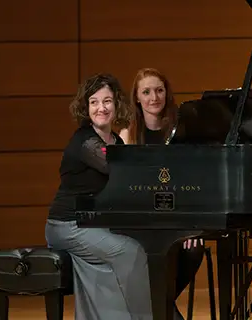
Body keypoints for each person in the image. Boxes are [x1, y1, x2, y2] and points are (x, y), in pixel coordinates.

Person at [45, 73, 153, 320]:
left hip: (92, 223)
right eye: (94, 102)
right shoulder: (85, 143)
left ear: (116, 105)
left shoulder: (114, 140)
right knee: (131, 251)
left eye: (107, 101)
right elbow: (117, 169)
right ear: (86, 107)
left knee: (144, 248)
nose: (101, 108)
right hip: (67, 225)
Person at [120, 67, 205, 317]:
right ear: (137, 97)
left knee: (193, 248)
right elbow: (128, 185)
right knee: (156, 249)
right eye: (146, 92)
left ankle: (155, 308)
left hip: (177, 217)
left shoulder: (182, 130)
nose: (153, 97)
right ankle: (160, 309)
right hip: (144, 218)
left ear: (167, 94)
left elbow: (192, 182)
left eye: (159, 90)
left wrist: (191, 225)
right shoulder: (129, 133)